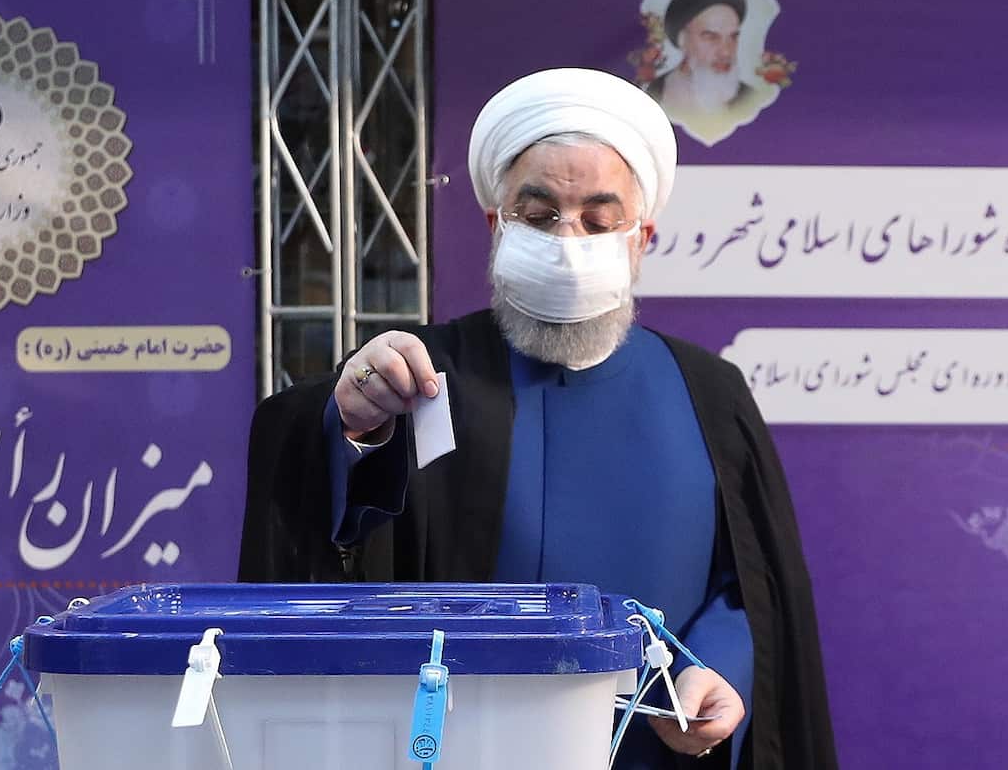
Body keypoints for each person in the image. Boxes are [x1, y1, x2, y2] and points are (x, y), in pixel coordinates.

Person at [239, 68, 837, 769]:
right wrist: (349, 423)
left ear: (641, 238)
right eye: (540, 214)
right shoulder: (418, 374)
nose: (567, 238)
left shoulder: (709, 392)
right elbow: (329, 525)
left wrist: (716, 670)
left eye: (598, 219)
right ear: (496, 226)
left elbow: (748, 588)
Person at [644, 0, 763, 124]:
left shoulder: (749, 98)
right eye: (711, 37)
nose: (726, 52)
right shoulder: (654, 93)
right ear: (682, 39)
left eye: (733, 37)